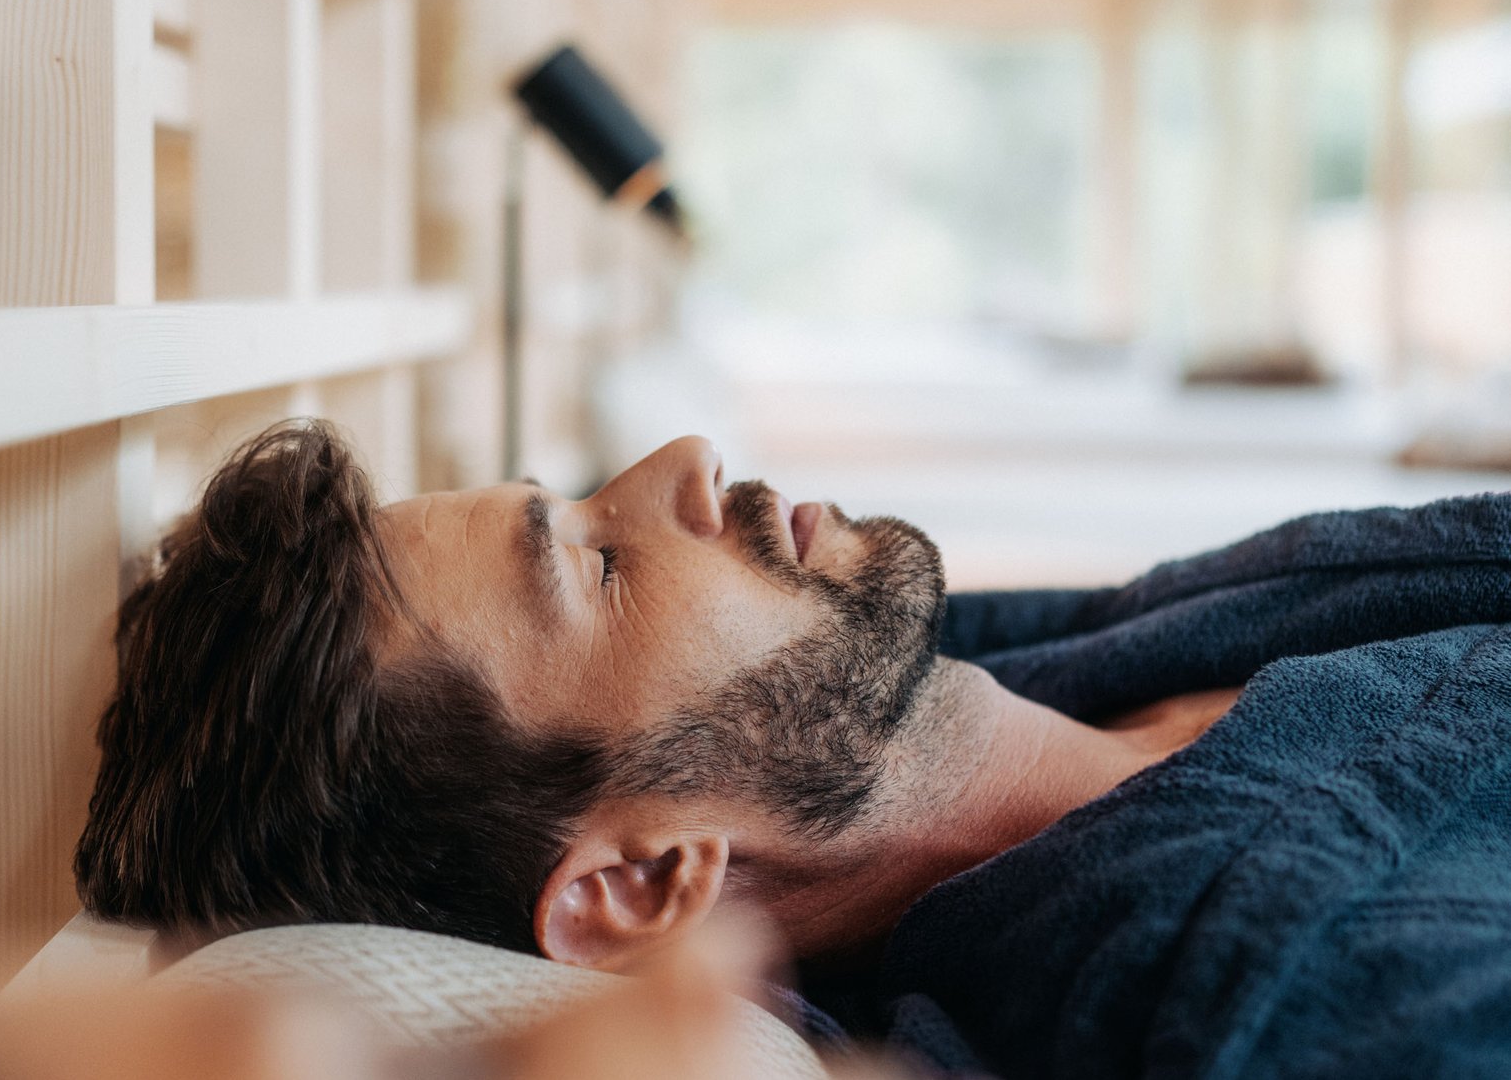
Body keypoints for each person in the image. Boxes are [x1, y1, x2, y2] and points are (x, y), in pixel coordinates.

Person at [76, 421, 1511, 1078]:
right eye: (596, 562)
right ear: (640, 882)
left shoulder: (1128, 655)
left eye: (579, 496)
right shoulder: (1298, 992)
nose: (684, 462)